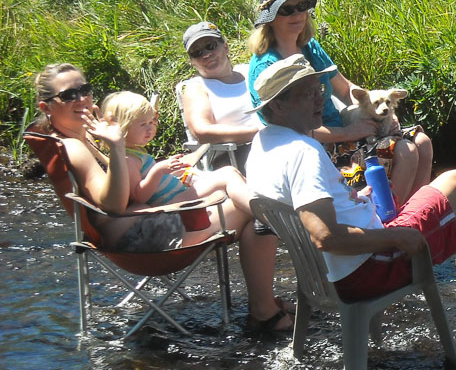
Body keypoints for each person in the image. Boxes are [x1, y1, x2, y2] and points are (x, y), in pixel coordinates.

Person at [245, 54, 456, 338]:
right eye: (307, 93)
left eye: (318, 89)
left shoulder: (264, 144)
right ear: (278, 107)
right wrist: (395, 238)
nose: (320, 98)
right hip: (368, 269)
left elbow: (298, 209)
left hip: (324, 275)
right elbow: (325, 237)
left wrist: (351, 197)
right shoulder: (303, 153)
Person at [33, 63, 293, 333]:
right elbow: (111, 204)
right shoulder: (73, 146)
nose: (82, 99)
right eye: (68, 95)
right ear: (46, 107)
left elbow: (130, 189)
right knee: (256, 209)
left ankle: (264, 307)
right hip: (142, 241)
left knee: (235, 195)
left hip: (143, 228)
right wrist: (117, 145)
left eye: (84, 90)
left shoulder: (82, 136)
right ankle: (264, 309)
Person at [246, 0, 432, 205]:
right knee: (406, 151)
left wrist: (378, 110)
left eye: (301, 6)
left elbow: (345, 90)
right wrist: (350, 132)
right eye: (286, 9)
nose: (297, 14)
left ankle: (414, 216)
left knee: (422, 142)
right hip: (321, 145)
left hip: (345, 129)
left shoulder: (309, 46)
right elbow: (289, 130)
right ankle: (388, 222)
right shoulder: (267, 67)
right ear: (270, 18)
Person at [100, 90, 250, 209]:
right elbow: (138, 197)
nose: (150, 128)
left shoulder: (136, 152)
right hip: (169, 203)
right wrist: (158, 170)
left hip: (176, 195)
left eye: (152, 122)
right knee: (227, 175)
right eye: (142, 124)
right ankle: (259, 212)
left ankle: (257, 206)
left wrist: (171, 169)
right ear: (123, 127)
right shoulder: (128, 160)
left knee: (229, 175)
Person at [180, 21, 263, 169]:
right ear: (192, 62)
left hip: (275, 140)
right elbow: (202, 131)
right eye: (197, 53)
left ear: (226, 47)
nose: (206, 55)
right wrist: (257, 132)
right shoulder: (197, 88)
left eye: (210, 46)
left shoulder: (249, 71)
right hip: (235, 156)